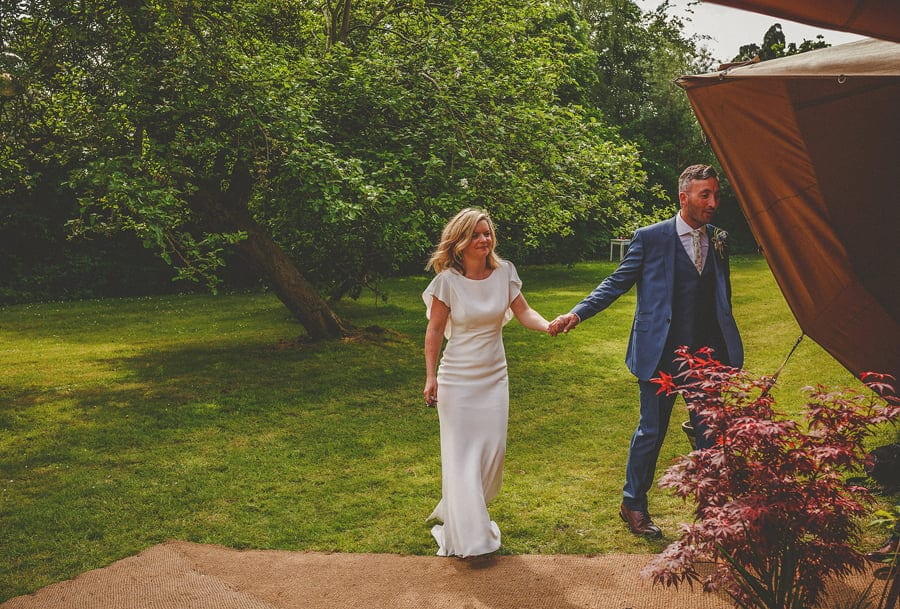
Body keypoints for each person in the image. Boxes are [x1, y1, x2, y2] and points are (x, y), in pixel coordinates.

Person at [548, 164, 744, 538]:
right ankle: (633, 503)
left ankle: (712, 512)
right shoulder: (651, 238)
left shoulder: (719, 239)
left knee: (709, 434)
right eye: (706, 195)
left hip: (708, 357)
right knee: (651, 432)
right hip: (661, 355)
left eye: (717, 194)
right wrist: (577, 312)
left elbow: (720, 296)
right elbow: (616, 282)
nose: (713, 202)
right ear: (683, 197)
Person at [423, 207, 550, 557]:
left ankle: (463, 515)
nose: (484, 239)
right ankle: (472, 537)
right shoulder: (447, 282)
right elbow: (434, 331)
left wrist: (548, 325)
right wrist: (431, 377)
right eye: (476, 234)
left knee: (492, 455)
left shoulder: (504, 272)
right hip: (457, 381)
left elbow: (524, 312)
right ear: (460, 241)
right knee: (462, 458)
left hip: (495, 378)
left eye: (487, 233)